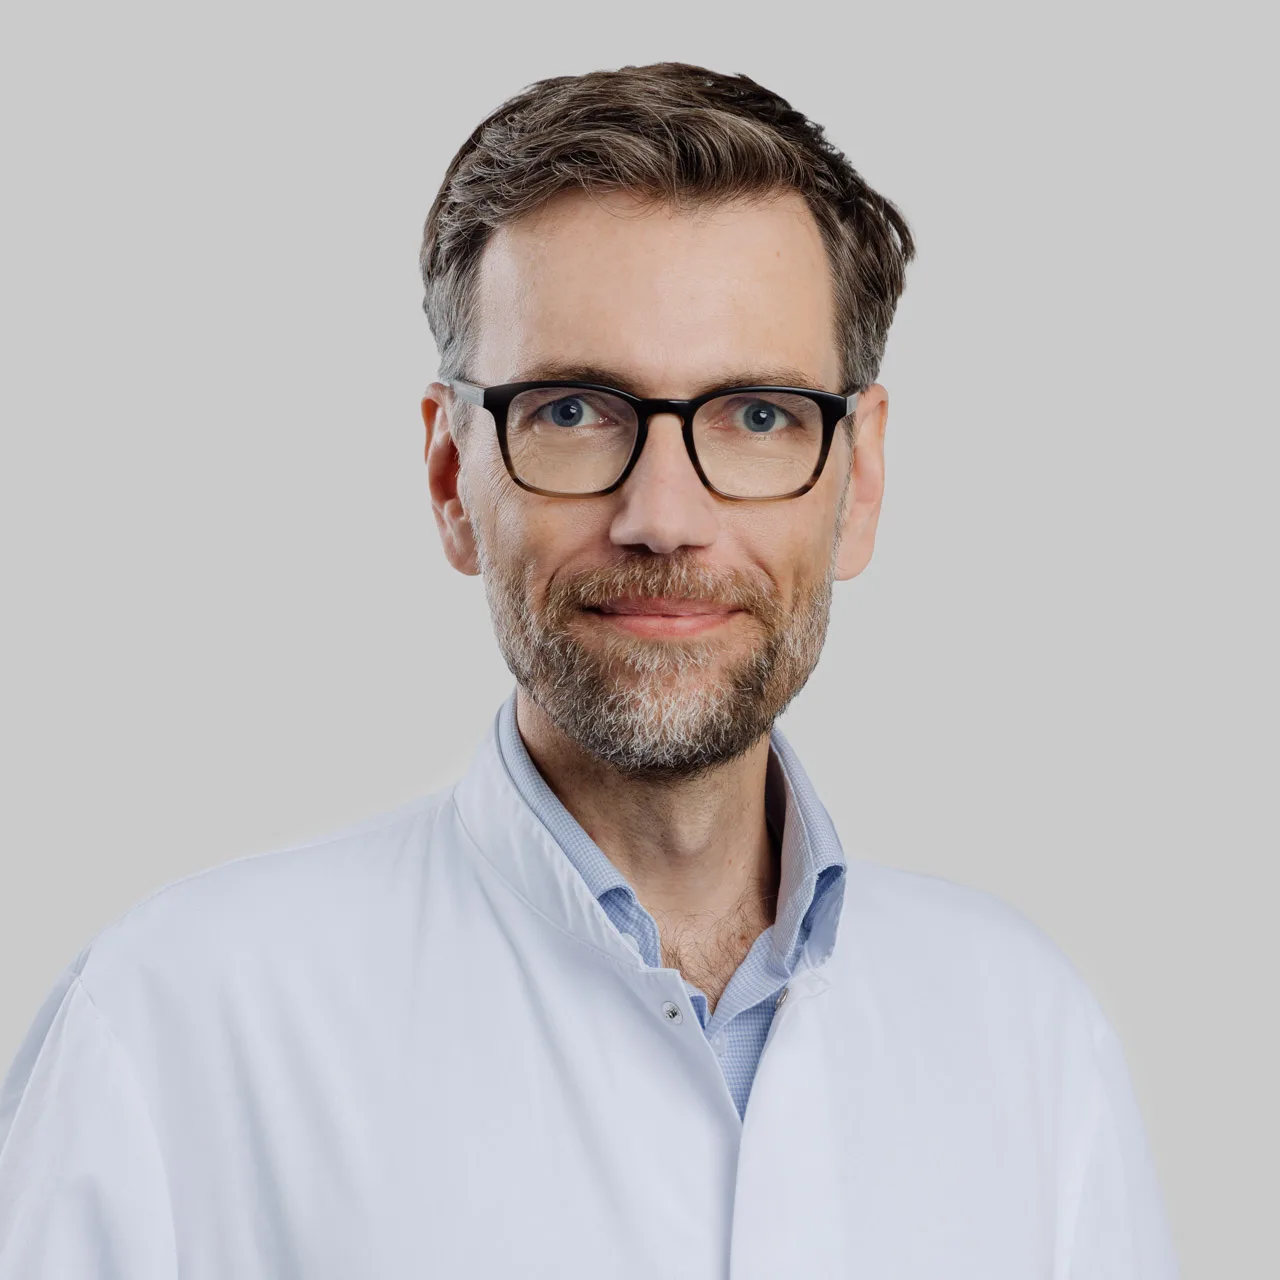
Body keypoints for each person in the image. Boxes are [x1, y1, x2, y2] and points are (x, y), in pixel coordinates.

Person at [0, 63, 1177, 1278]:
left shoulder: (1029, 1037)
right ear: (451, 478)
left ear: (858, 479)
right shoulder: (174, 1022)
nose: (662, 516)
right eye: (571, 411)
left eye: (756, 415)